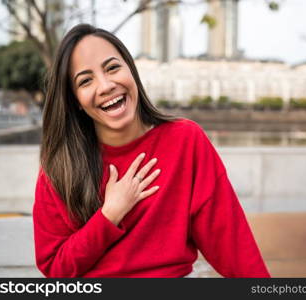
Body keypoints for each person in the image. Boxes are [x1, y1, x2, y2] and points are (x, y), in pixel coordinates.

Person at [33, 23, 270, 278]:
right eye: (86, 81)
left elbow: (229, 240)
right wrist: (109, 215)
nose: (105, 86)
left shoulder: (185, 141)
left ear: (131, 71)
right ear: (75, 101)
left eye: (112, 68)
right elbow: (56, 269)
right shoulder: (61, 165)